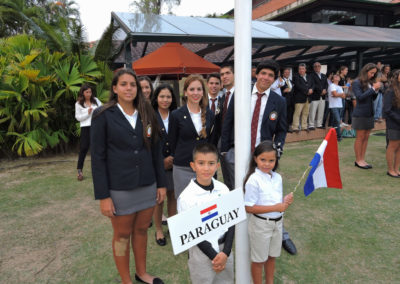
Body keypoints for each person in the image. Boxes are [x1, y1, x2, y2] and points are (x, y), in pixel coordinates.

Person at [91, 68, 166, 284]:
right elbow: (97, 159)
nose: (129, 88)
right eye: (123, 84)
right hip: (120, 188)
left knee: (142, 230)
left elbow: (155, 151)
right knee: (122, 236)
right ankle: (126, 280)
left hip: (147, 184)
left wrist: (161, 184)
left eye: (132, 84)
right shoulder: (103, 115)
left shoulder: (147, 113)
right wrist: (103, 196)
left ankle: (141, 273)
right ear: (114, 88)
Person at [222, 59, 297, 255]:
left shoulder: (279, 101)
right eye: (263, 73)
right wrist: (223, 150)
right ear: (257, 74)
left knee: (269, 195)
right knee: (236, 193)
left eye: (271, 76)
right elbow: (228, 121)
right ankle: (231, 233)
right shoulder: (241, 93)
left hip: (262, 157)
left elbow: (281, 130)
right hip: (237, 152)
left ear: (274, 79)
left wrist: (277, 150)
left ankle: (281, 235)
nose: (266, 78)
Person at [177, 143, 234, 284]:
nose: (206, 168)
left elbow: (232, 220)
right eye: (201, 163)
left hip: (224, 249)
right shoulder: (186, 198)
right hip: (201, 253)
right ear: (193, 165)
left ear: (217, 166)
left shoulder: (224, 189)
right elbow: (191, 233)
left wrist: (225, 252)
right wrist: (215, 256)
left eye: (211, 163)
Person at [243, 140, 294, 284]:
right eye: (263, 160)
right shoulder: (253, 180)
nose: (267, 164)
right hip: (261, 225)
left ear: (276, 160)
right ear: (255, 159)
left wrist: (284, 201)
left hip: (277, 224)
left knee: (272, 256)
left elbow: (273, 200)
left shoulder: (277, 178)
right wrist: (276, 207)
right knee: (259, 260)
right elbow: (249, 207)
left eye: (271, 160)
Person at [169, 75, 215, 199]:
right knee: (184, 204)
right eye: (192, 89)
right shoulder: (176, 115)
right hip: (183, 167)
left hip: (204, 168)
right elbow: (172, 141)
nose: (196, 93)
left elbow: (211, 140)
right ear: (185, 92)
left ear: (203, 92)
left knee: (206, 204)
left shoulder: (210, 114)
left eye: (199, 89)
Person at [151, 84, 178, 246]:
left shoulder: (176, 115)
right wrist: (161, 161)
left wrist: (173, 157)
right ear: (156, 98)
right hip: (157, 163)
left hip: (175, 163)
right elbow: (147, 143)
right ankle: (159, 230)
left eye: (168, 97)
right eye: (162, 96)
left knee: (173, 196)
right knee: (158, 199)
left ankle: (173, 228)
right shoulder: (150, 116)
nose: (165, 100)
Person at [352, 63, 381, 169]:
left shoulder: (369, 82)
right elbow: (360, 97)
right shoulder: (356, 82)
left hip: (369, 113)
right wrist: (373, 89)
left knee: (366, 137)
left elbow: (371, 98)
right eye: (371, 73)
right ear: (365, 71)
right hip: (360, 114)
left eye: (374, 73)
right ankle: (358, 160)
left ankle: (362, 159)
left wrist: (376, 91)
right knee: (360, 137)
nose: (373, 75)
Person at [75, 83, 102, 181]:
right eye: (87, 92)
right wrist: (88, 113)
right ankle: (79, 171)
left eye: (90, 92)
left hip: (96, 126)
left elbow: (102, 110)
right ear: (82, 93)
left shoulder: (96, 100)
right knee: (84, 148)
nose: (89, 94)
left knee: (97, 149)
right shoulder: (78, 104)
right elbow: (78, 118)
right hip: (85, 127)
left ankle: (99, 170)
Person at [219, 64, 235, 190]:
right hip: (223, 145)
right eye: (222, 74)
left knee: (236, 181)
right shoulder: (223, 97)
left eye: (227, 73)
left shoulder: (243, 95)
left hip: (235, 145)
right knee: (227, 181)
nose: (224, 76)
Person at [383, 69, 400, 178]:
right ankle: (390, 170)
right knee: (392, 146)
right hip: (394, 123)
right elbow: (387, 110)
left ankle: (396, 169)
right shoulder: (390, 91)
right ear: (397, 76)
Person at [292, 63, 314, 132]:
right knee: (297, 113)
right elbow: (298, 86)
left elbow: (313, 84)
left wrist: (312, 89)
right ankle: (295, 127)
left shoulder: (309, 76)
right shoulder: (296, 76)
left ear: (305, 69)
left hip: (308, 98)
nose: (301, 70)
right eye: (300, 69)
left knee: (306, 113)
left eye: (302, 69)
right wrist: (307, 91)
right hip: (299, 98)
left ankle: (304, 126)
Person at [309, 62, 328, 129]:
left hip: (322, 96)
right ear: (313, 68)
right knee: (313, 111)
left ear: (320, 67)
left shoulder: (324, 75)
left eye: (318, 66)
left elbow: (326, 84)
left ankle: (319, 124)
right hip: (315, 96)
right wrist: (320, 91)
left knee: (321, 110)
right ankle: (311, 125)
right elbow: (313, 85)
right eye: (315, 66)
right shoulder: (311, 75)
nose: (317, 67)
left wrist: (325, 89)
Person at [328, 74, 345, 141]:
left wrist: (338, 94)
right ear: (332, 79)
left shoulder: (339, 87)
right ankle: (339, 136)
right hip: (333, 105)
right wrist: (339, 94)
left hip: (340, 105)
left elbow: (343, 96)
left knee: (336, 122)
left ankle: (333, 135)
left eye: (338, 76)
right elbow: (334, 94)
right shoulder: (332, 85)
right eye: (335, 76)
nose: (337, 77)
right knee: (338, 121)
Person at [281, 67, 295, 132]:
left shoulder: (291, 81)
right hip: (284, 101)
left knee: (290, 115)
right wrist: (283, 91)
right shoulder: (281, 81)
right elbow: (277, 91)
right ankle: (284, 128)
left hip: (291, 101)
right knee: (284, 115)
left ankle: (288, 127)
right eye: (285, 72)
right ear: (283, 73)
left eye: (288, 72)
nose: (287, 74)